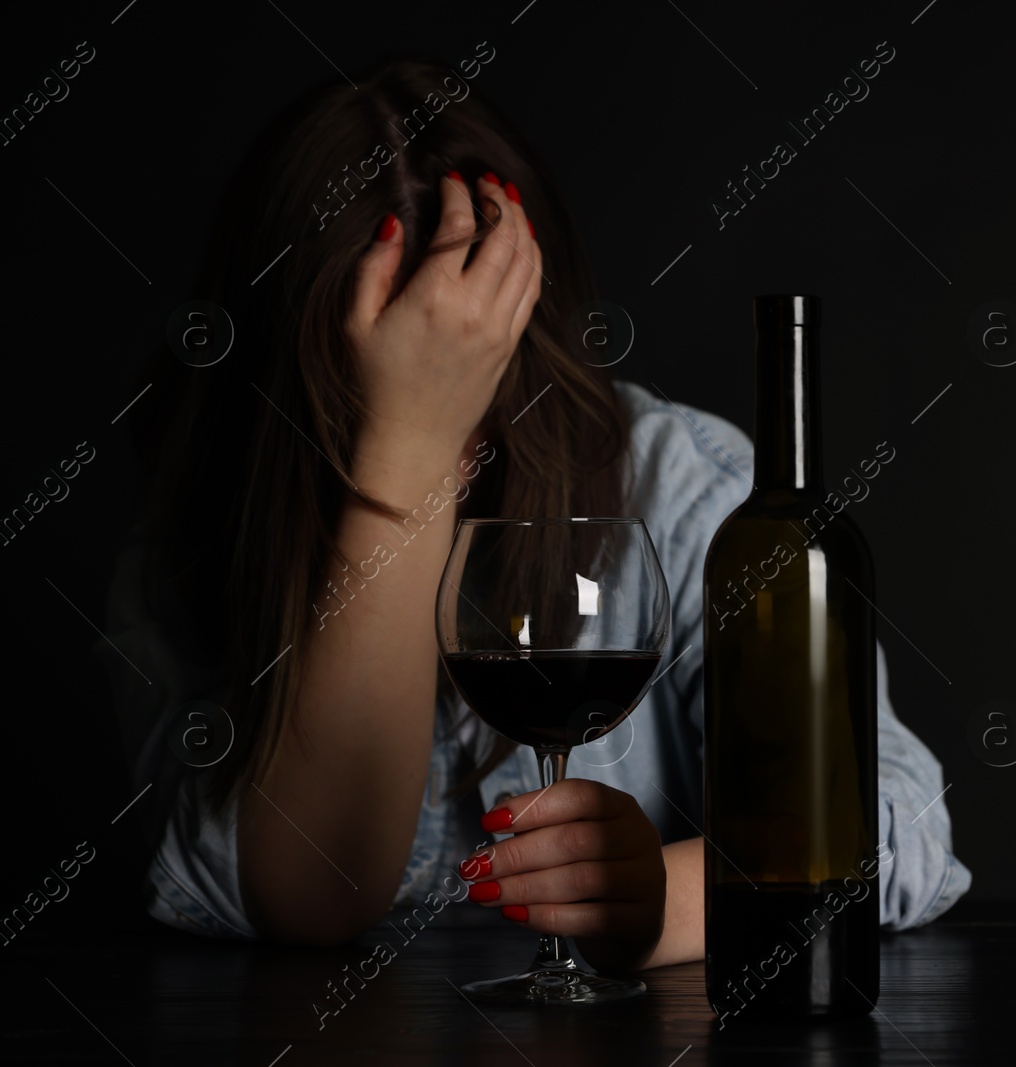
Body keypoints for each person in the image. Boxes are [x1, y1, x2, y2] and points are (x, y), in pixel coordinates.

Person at [100, 55, 969, 972]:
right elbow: (305, 896)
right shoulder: (188, 548)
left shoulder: (684, 489)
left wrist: (661, 901)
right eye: (366, 386)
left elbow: (894, 835)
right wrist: (406, 459)